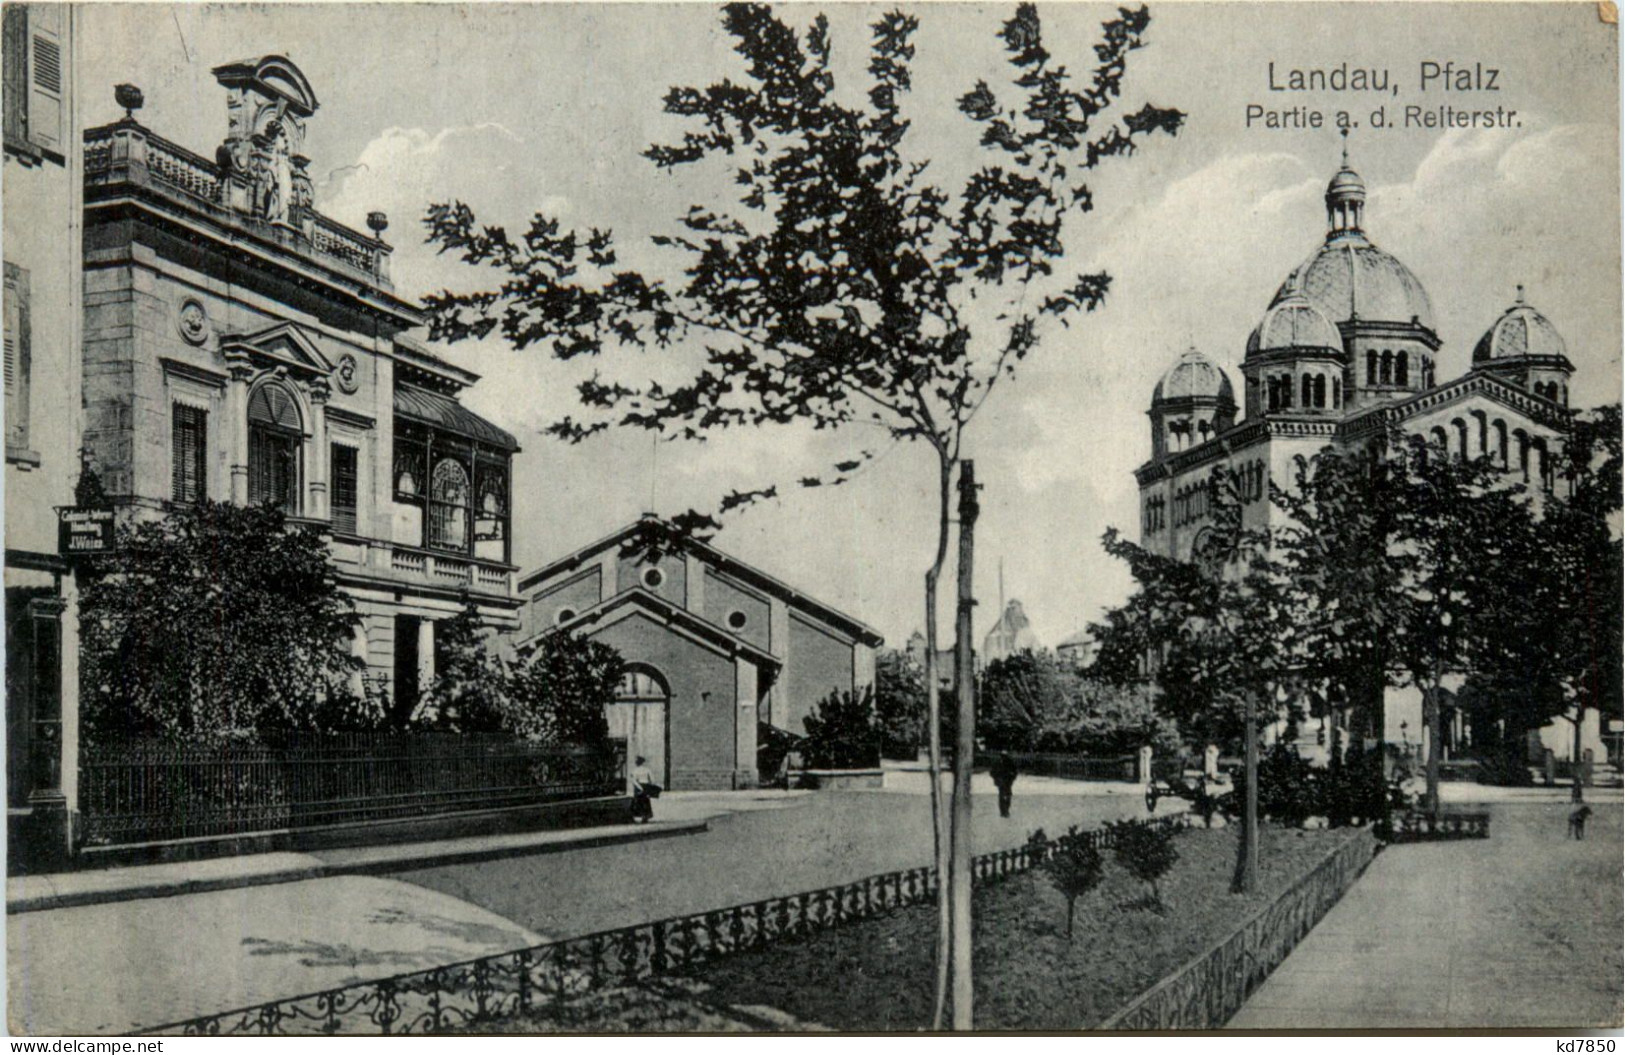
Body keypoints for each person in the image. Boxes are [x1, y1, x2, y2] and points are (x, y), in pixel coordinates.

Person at [990, 753, 1019, 818]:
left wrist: (1012, 778)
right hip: (1002, 782)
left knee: (1007, 796)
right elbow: (992, 772)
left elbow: (1015, 772)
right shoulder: (998, 763)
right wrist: (996, 778)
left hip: (1007, 782)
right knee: (1003, 796)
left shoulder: (1010, 763)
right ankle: (1003, 811)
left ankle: (1005, 811)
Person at [630, 755, 657, 823]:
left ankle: (636, 816)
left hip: (638, 786)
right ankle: (645, 816)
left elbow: (634, 780)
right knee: (645, 802)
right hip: (646, 786)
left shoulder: (635, 770)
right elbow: (653, 780)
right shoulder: (647, 770)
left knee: (637, 802)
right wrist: (650, 787)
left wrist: (639, 787)